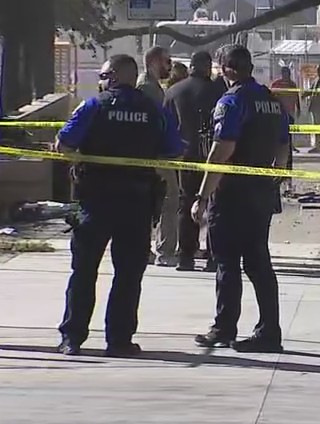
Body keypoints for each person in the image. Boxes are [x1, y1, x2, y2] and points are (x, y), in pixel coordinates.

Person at [55, 54, 184, 356]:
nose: (100, 81)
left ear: (113, 75)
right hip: (136, 203)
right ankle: (119, 340)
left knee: (84, 272)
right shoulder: (153, 110)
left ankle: (72, 338)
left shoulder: (93, 106)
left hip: (94, 201)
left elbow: (64, 145)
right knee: (128, 275)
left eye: (102, 75)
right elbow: (174, 152)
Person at [191, 44, 292, 353]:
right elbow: (283, 146)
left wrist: (202, 195)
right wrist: (271, 178)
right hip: (260, 191)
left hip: (232, 193)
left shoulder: (232, 101)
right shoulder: (272, 101)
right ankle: (269, 330)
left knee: (226, 263)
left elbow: (222, 149)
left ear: (227, 69)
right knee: (259, 262)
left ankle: (224, 327)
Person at [164, 50, 225, 273]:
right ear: (208, 67)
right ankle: (212, 257)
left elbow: (166, 126)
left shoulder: (173, 91)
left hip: (185, 156)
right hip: (212, 155)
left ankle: (186, 256)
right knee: (213, 206)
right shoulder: (218, 92)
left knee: (185, 204)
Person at [139, 45, 179, 267]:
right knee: (168, 200)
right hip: (156, 155)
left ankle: (152, 250)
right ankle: (164, 251)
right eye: (167, 61)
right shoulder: (148, 89)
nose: (170, 67)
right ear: (154, 61)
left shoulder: (153, 86)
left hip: (155, 153)